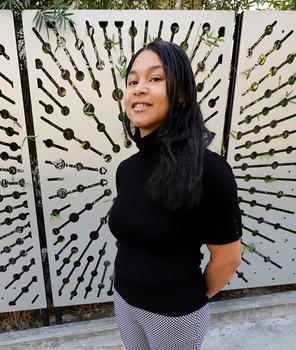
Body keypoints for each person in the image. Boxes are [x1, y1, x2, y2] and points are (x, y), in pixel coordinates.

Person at [107, 39, 243, 350]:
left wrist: (185, 302)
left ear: (181, 93)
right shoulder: (126, 170)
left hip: (174, 315)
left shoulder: (209, 170)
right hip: (124, 300)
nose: (139, 88)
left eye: (155, 78)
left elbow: (228, 259)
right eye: (133, 81)